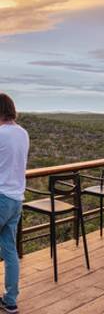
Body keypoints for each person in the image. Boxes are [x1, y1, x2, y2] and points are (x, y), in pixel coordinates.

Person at [0, 93, 28, 314]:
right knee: (9, 250)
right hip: (16, 198)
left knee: (9, 249)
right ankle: (10, 301)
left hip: (0, 197)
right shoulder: (22, 133)